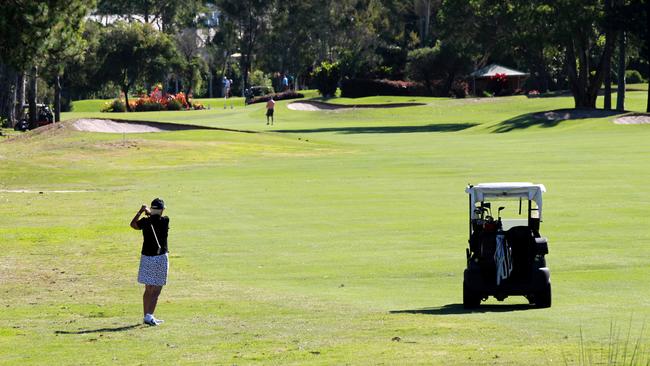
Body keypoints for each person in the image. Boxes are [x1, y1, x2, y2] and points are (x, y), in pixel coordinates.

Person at [130, 198, 170, 326]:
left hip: (146, 257)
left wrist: (141, 211)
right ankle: (149, 316)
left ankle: (147, 316)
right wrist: (149, 213)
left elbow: (133, 225)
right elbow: (156, 218)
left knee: (148, 289)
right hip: (160, 258)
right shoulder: (165, 220)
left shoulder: (145, 222)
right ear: (162, 210)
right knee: (156, 289)